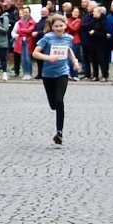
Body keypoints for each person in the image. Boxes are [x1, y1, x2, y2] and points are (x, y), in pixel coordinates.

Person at [32, 14, 80, 145]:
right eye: (56, 26)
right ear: (52, 27)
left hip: (62, 73)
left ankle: (59, 132)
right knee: (53, 105)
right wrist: (48, 58)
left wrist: (75, 62)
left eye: (61, 26)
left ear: (65, 26)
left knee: (59, 101)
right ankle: (57, 118)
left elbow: (69, 50)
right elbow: (35, 53)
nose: (59, 28)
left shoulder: (68, 38)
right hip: (48, 74)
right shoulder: (47, 38)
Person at [86, 6, 109, 81]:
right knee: (93, 59)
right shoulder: (92, 21)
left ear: (99, 13)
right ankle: (95, 75)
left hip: (101, 44)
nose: (93, 13)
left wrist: (95, 32)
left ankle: (104, 75)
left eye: (95, 12)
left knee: (101, 59)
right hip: (92, 43)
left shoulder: (103, 22)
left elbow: (104, 33)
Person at [13, 7, 35, 80]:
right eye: (24, 12)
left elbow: (30, 30)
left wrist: (22, 31)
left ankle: (29, 73)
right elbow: (17, 30)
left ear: (29, 13)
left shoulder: (32, 21)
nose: (25, 14)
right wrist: (24, 31)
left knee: (28, 58)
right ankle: (25, 73)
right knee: (23, 58)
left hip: (28, 41)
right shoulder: (19, 21)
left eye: (26, 12)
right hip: (21, 41)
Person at [32, 7, 49, 78]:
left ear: (47, 12)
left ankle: (44, 74)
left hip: (45, 42)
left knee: (44, 59)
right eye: (42, 11)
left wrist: (37, 33)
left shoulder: (48, 21)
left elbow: (47, 31)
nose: (43, 13)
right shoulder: (39, 21)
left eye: (44, 11)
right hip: (38, 42)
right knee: (38, 59)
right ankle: (39, 74)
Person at [66, 7, 82, 80]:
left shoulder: (78, 21)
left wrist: (67, 24)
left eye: (77, 12)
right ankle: (68, 74)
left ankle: (75, 74)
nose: (76, 13)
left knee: (73, 58)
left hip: (75, 41)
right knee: (67, 59)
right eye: (74, 12)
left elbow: (74, 29)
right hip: (67, 41)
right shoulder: (68, 20)